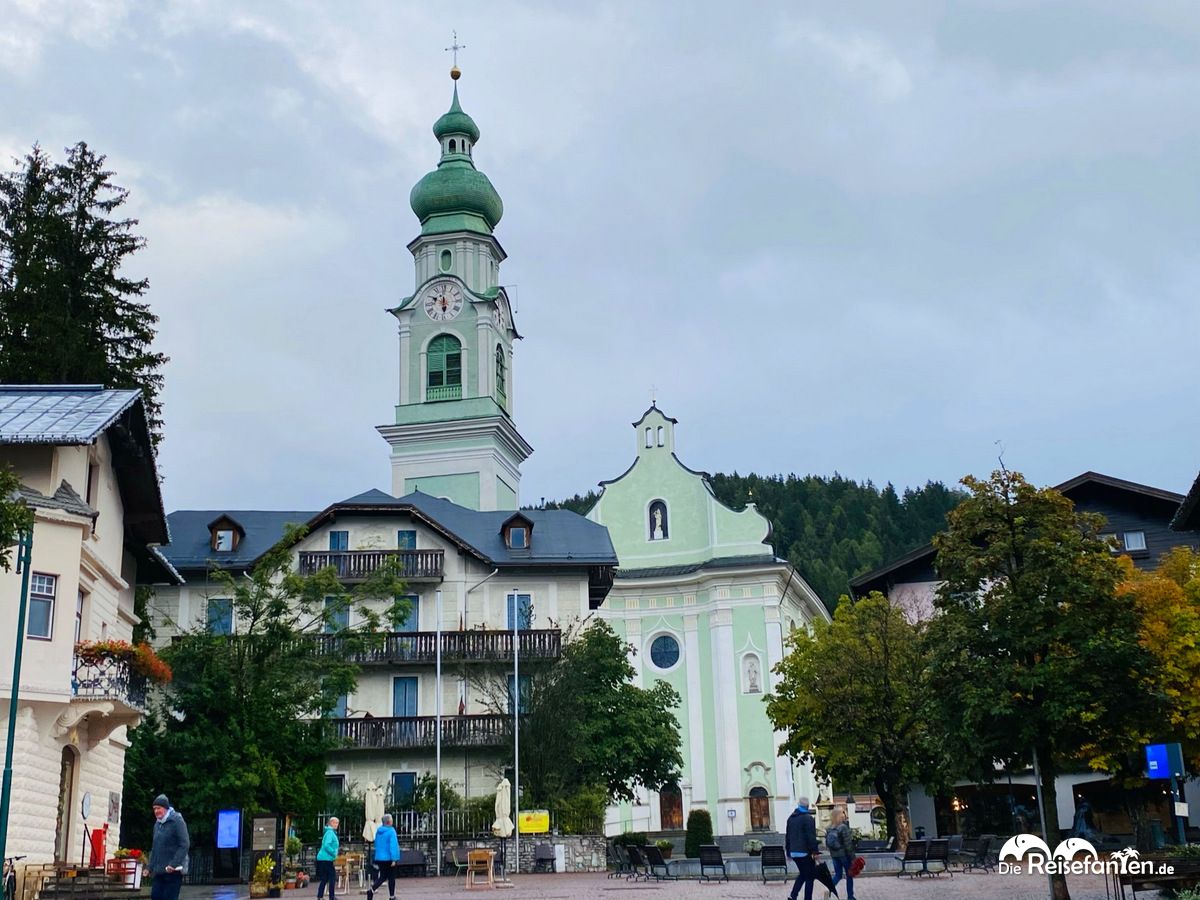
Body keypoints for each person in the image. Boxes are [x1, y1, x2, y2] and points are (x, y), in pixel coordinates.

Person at [148, 794, 189, 900]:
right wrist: (149, 867)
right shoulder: (157, 825)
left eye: (158, 808)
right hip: (159, 871)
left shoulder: (177, 821)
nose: (156, 811)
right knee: (155, 896)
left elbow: (184, 844)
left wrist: (173, 864)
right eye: (154, 809)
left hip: (173, 871)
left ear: (166, 808)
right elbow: (155, 848)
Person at [785, 796, 820, 900]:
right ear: (807, 806)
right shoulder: (808, 818)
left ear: (798, 805)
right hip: (804, 852)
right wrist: (815, 852)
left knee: (803, 874)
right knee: (810, 876)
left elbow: (788, 836)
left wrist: (788, 852)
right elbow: (811, 837)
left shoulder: (791, 818)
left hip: (794, 852)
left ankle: (793, 895)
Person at [366, 813, 400, 900]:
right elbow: (393, 846)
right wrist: (394, 859)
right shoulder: (391, 831)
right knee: (391, 877)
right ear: (389, 821)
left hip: (380, 857)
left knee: (382, 877)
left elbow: (377, 843)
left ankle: (372, 890)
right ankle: (392, 896)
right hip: (389, 858)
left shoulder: (378, 831)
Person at [825, 805, 855, 900]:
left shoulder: (829, 828)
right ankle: (850, 897)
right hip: (844, 855)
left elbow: (828, 843)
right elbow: (848, 845)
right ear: (840, 815)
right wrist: (853, 858)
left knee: (838, 874)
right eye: (843, 812)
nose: (844, 814)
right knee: (849, 875)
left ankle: (829, 888)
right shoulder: (843, 827)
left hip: (834, 855)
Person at [315, 817, 340, 900]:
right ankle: (331, 896)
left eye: (337, 823)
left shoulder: (330, 832)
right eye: (335, 823)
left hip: (324, 858)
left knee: (325, 878)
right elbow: (326, 845)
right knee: (332, 877)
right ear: (330, 823)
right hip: (326, 858)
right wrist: (333, 852)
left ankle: (320, 896)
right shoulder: (330, 832)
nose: (336, 825)